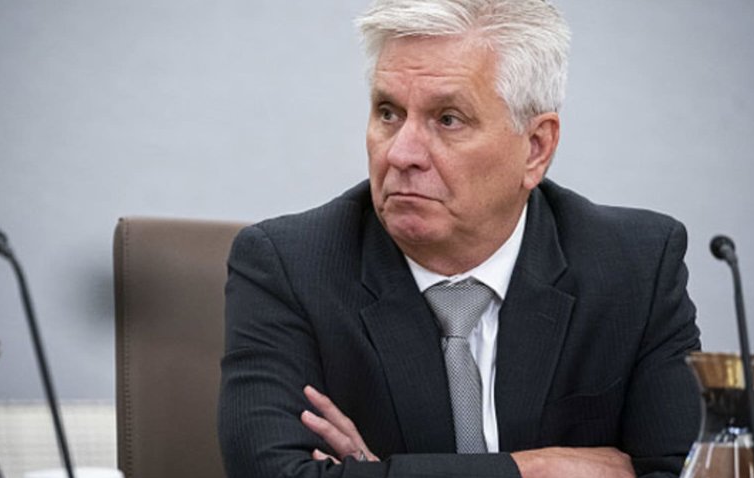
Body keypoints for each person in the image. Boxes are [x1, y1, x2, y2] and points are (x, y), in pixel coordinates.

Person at [218, 1, 701, 477]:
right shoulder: (290, 267)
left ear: (536, 148)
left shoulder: (637, 266)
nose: (402, 153)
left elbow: (683, 470)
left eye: (448, 119)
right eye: (388, 112)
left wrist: (383, 472)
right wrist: (534, 470)